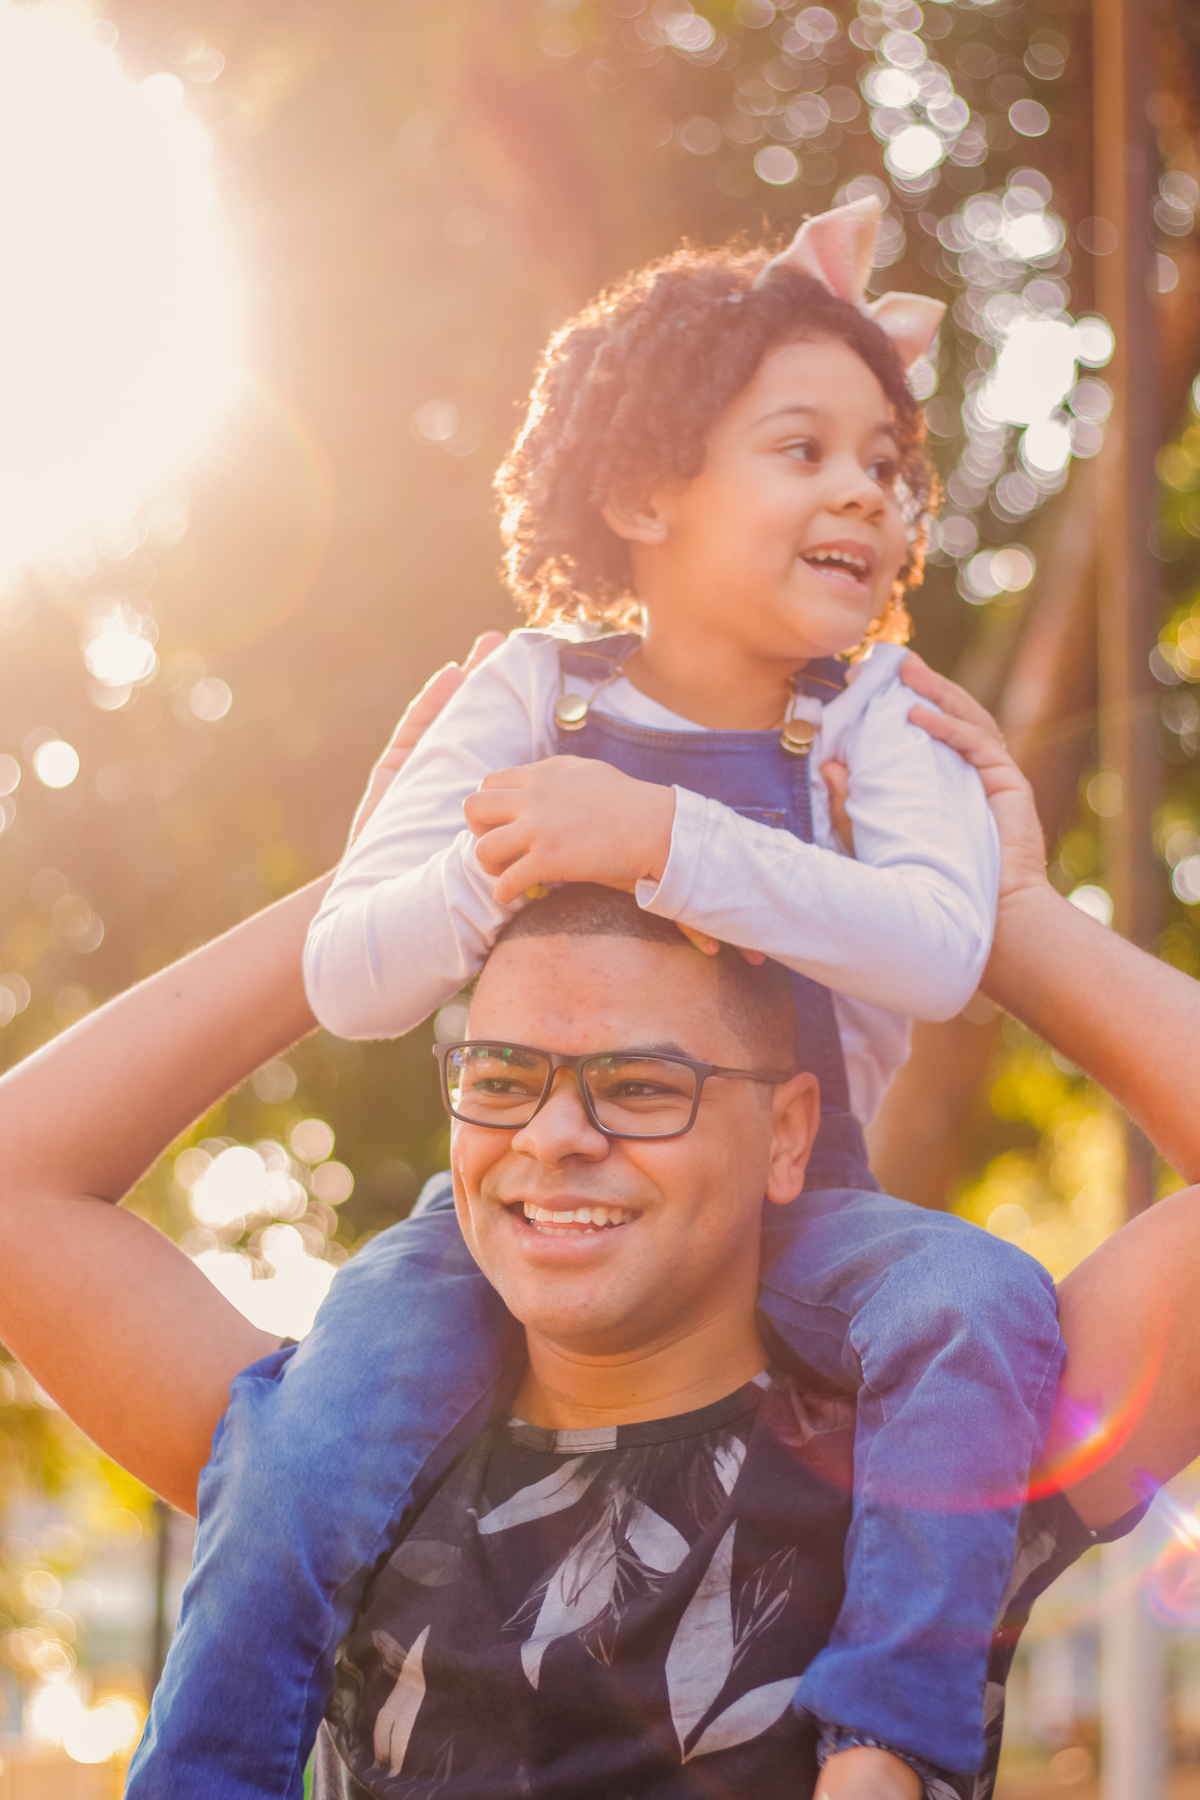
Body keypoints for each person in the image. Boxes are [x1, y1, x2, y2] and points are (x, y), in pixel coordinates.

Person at [184, 197, 1062, 1792]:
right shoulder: (531, 691)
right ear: (646, 484)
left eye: (885, 460)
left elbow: (942, 945)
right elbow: (349, 975)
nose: (865, 486)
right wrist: (490, 869)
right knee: (299, 1432)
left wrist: (659, 839)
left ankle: (888, 1743)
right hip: (511, 1214)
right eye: (803, 448)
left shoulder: (873, 721)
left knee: (984, 1303)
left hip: (810, 1207)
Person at [0, 659, 1198, 1800]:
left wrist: (1010, 918)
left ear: (788, 1136)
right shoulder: (337, 1468)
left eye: (639, 1086)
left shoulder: (937, 1459)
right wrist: (381, 878)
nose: (553, 1137)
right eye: (504, 1076)